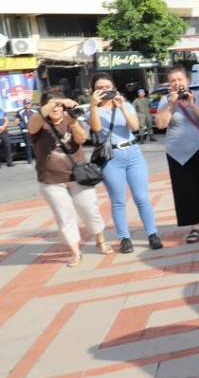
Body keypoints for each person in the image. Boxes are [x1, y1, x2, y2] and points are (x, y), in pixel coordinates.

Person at [28, 92, 113, 266]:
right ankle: (75, 252)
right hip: (51, 180)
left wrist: (73, 122)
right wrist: (58, 100)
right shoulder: (39, 123)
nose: (56, 108)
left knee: (90, 208)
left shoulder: (71, 119)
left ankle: (100, 240)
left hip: (78, 176)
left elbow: (82, 138)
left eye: (59, 105)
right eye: (52, 105)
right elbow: (33, 125)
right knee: (64, 215)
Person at [88, 73, 162, 254]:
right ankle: (124, 238)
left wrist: (121, 107)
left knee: (142, 197)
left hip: (133, 153)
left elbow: (135, 127)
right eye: (99, 88)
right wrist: (92, 104)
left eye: (107, 87)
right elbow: (96, 129)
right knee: (118, 200)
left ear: (113, 87)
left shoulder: (125, 104)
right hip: (112, 157)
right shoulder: (93, 109)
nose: (104, 90)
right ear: (93, 91)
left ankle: (152, 234)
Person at [154, 66, 199, 244]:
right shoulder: (165, 100)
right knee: (185, 190)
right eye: (173, 81)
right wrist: (171, 104)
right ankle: (194, 226)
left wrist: (191, 104)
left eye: (180, 80)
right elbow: (160, 124)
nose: (177, 83)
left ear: (187, 81)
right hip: (177, 152)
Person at [16, 99, 36, 164]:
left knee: (36, 144)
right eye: (26, 104)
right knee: (28, 145)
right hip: (26, 130)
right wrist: (23, 125)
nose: (27, 105)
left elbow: (39, 120)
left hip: (34, 130)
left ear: (31, 104)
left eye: (29, 103)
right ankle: (29, 159)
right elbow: (16, 121)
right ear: (24, 104)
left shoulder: (35, 111)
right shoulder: (20, 112)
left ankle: (39, 157)